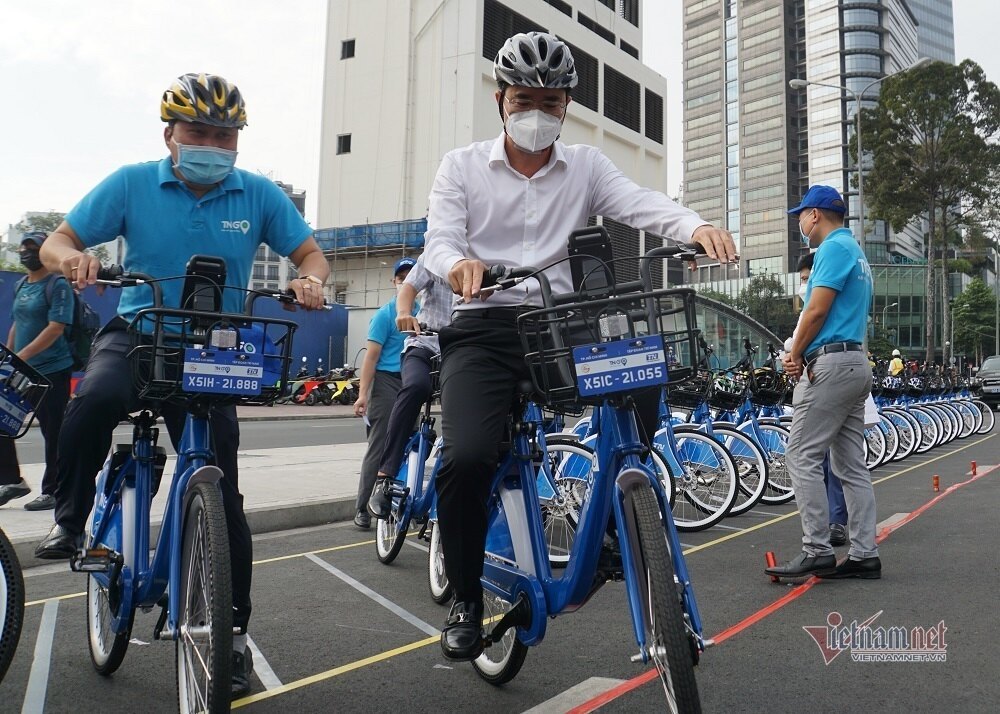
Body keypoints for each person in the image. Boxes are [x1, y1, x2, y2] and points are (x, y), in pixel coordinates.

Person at [421, 31, 737, 661]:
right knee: (466, 456)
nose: (536, 111)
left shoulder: (587, 167)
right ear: (501, 98)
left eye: (550, 100)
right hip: (482, 331)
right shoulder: (460, 166)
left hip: (559, 327)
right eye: (523, 98)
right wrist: (458, 265)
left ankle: (629, 502)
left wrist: (695, 225)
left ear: (567, 105)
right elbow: (438, 239)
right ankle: (462, 594)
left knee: (643, 366)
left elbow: (640, 203)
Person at [33, 72, 329, 697]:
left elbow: (310, 253)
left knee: (225, 496)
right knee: (92, 403)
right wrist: (74, 259)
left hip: (217, 346)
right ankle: (71, 514)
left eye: (226, 134)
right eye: (200, 131)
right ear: (169, 133)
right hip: (141, 329)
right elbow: (59, 241)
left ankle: (236, 639)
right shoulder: (131, 182)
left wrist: (310, 279)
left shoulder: (258, 194)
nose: (213, 143)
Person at [768, 184, 880, 580]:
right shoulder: (856, 251)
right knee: (850, 464)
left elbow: (816, 311)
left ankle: (816, 548)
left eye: (801, 214)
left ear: (815, 214)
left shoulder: (832, 248)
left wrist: (795, 353)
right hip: (854, 363)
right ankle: (864, 553)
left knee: (800, 454)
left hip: (831, 365)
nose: (799, 221)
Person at [367, 255, 455, 519]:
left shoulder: (486, 253)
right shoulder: (434, 256)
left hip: (460, 352)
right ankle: (385, 477)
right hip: (424, 345)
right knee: (416, 387)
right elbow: (408, 288)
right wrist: (404, 313)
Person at [0, 232, 75, 510]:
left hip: (51, 371)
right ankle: (12, 481)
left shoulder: (58, 285)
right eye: (23, 248)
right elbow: (17, 324)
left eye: (33, 248)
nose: (25, 252)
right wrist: (8, 357)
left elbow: (56, 328)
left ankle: (54, 491)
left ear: (45, 251)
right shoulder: (21, 284)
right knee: (3, 424)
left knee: (53, 431)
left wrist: (21, 357)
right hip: (21, 370)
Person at [353, 257, 417, 529]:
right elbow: (371, 358)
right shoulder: (384, 315)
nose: (404, 281)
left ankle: (397, 502)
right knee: (380, 446)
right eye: (400, 277)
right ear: (394, 282)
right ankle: (363, 508)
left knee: (411, 446)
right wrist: (362, 394)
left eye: (410, 276)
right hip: (386, 382)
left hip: (411, 382)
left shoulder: (423, 311)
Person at [794, 251, 848, 547]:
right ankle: (858, 545)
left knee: (809, 457)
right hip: (828, 376)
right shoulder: (814, 305)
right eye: (801, 280)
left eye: (807, 279)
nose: (803, 285)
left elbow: (808, 334)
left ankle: (823, 537)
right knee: (840, 460)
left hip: (825, 379)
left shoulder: (822, 304)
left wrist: (794, 353)